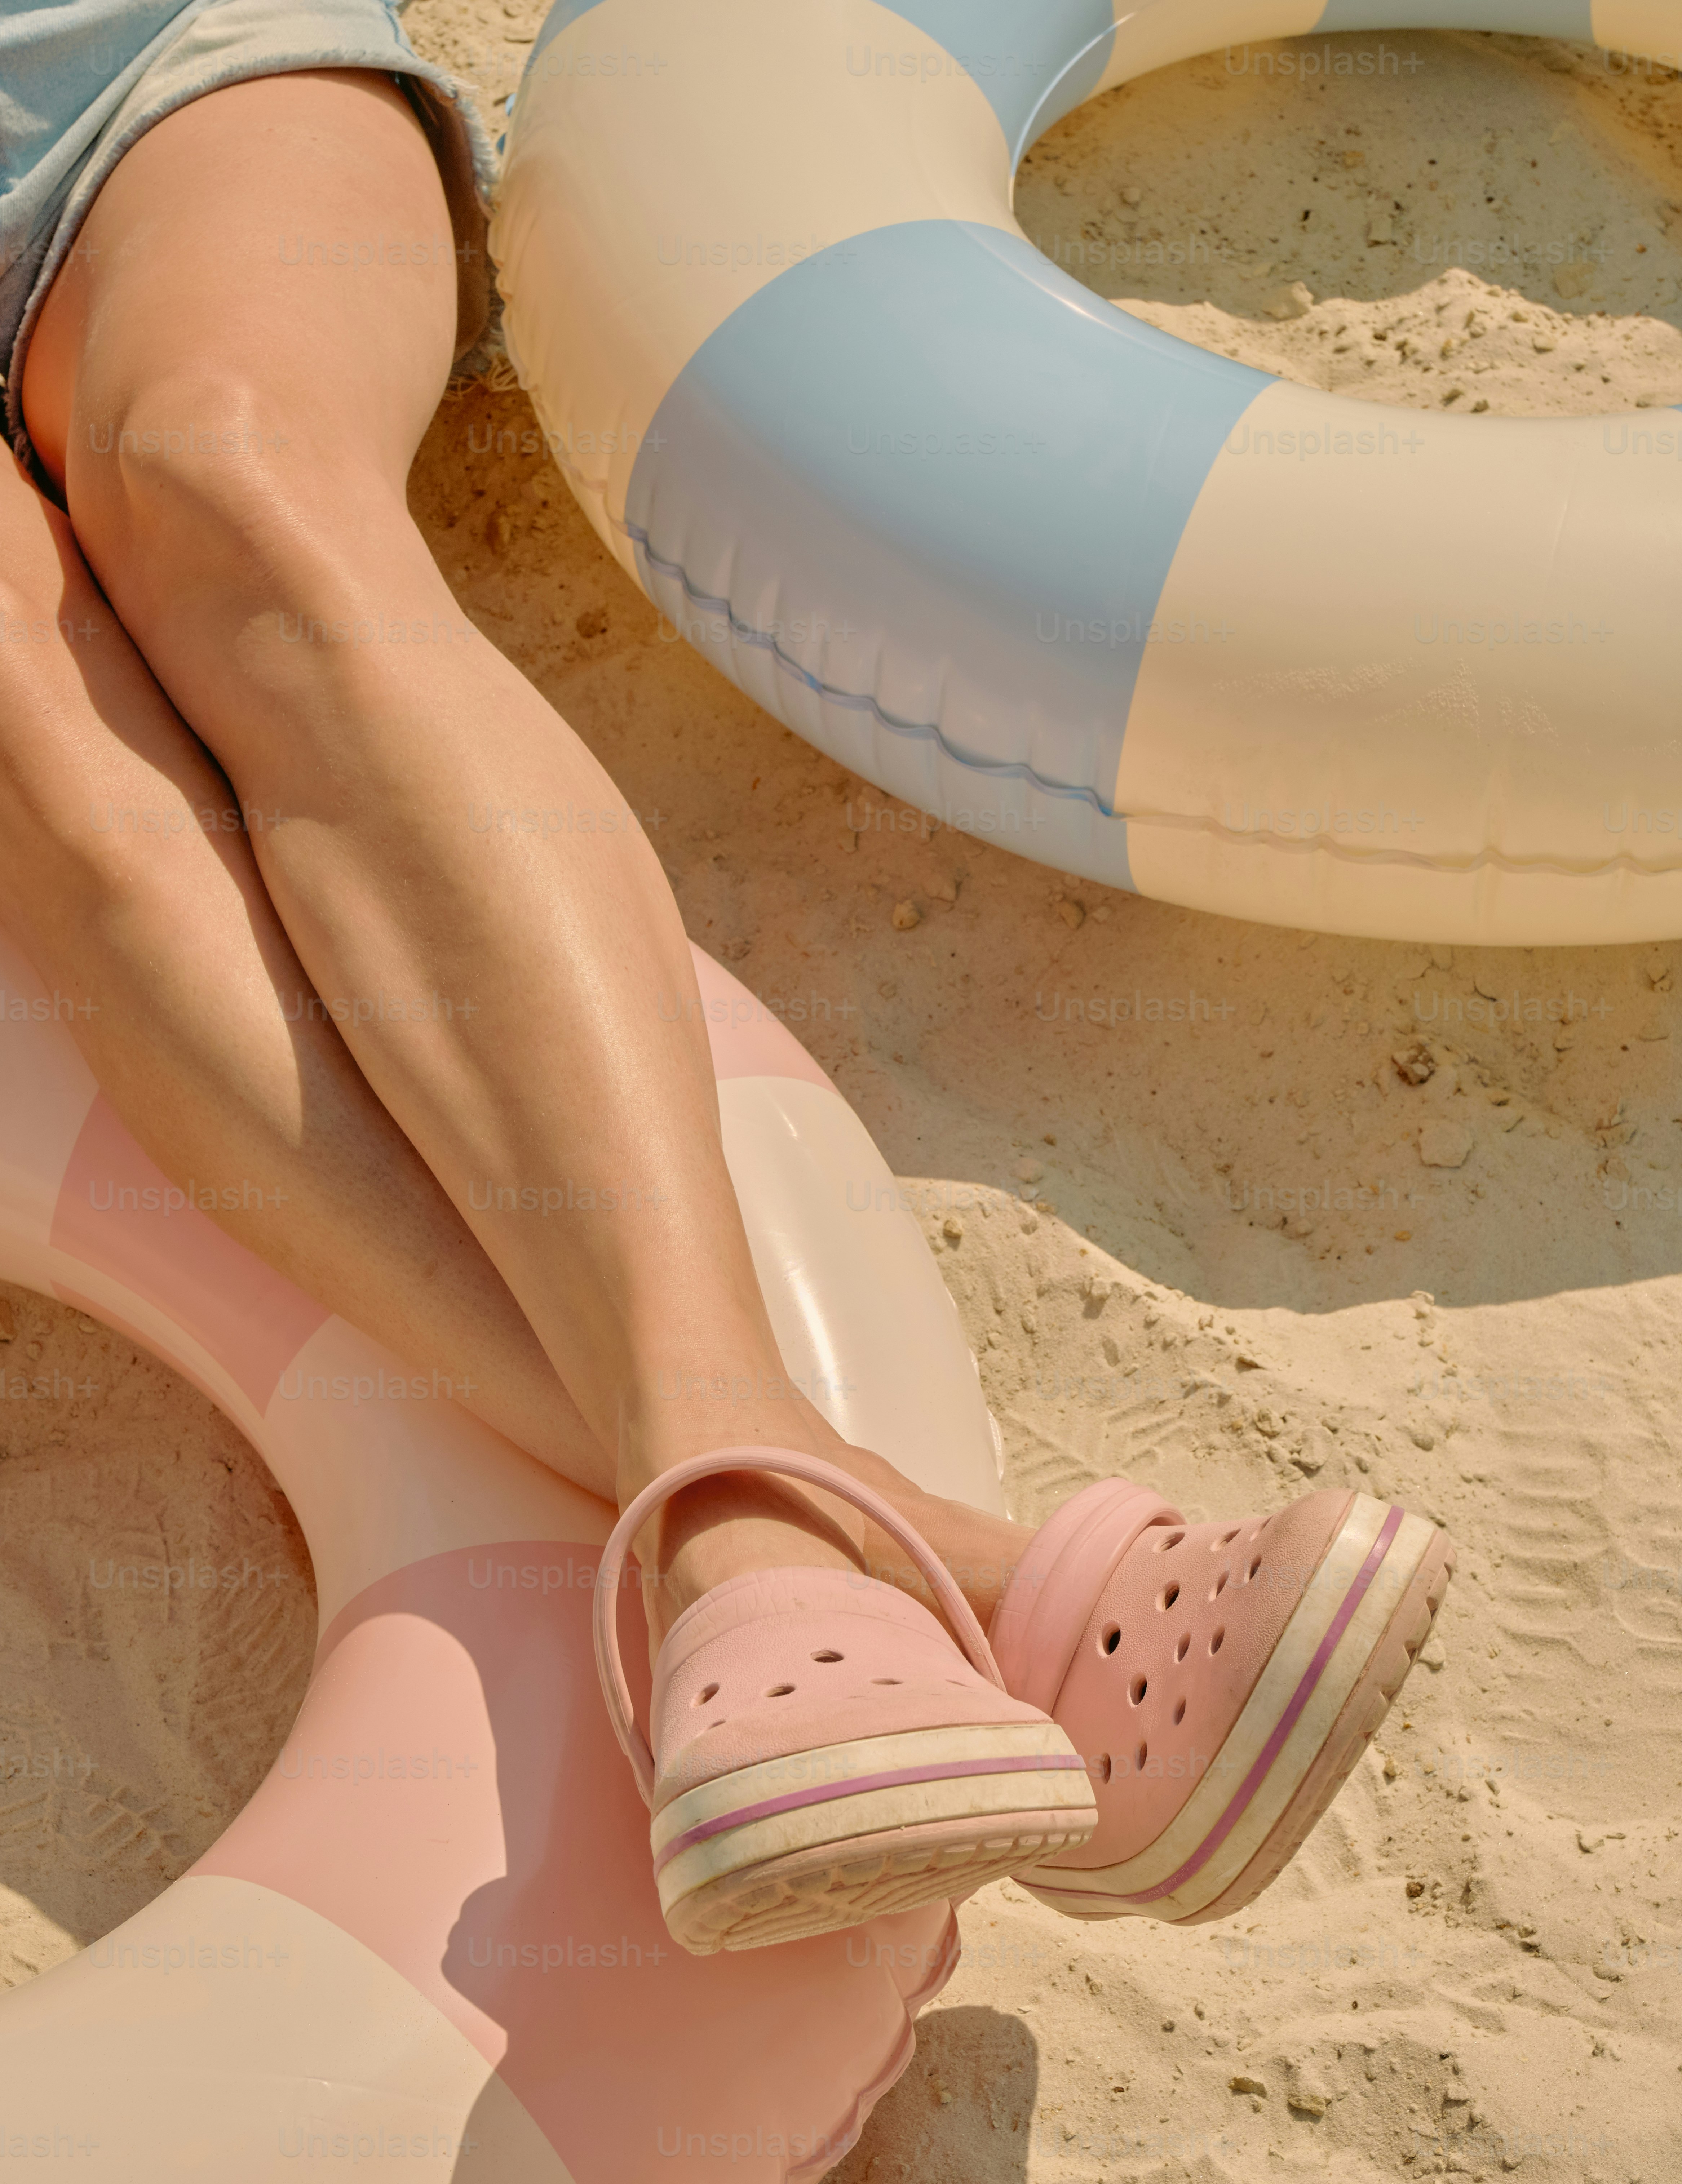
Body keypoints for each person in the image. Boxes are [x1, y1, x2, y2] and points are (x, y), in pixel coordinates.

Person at [0, 1, 1453, 1957]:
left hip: (138, 60)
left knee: (234, 482)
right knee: (41, 745)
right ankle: (903, 1559)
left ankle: (769, 1525)